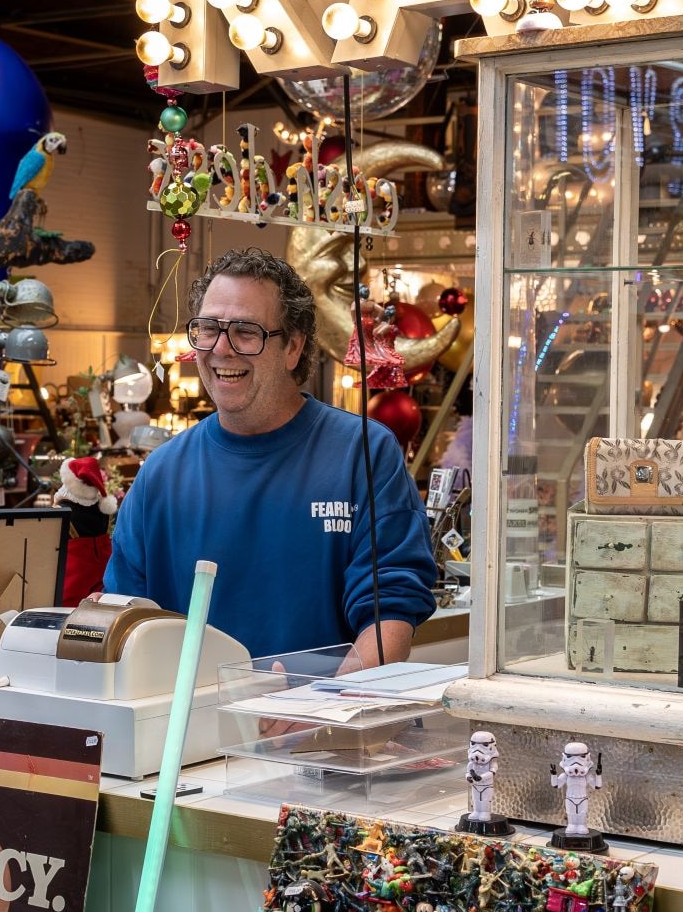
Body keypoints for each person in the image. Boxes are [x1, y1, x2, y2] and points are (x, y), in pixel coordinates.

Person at [104, 247, 437, 665]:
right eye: (208, 328)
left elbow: (389, 609)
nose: (221, 350)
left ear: (293, 348)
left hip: (327, 721)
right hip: (196, 726)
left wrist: (334, 701)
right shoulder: (162, 473)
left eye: (246, 331)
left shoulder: (362, 454)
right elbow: (124, 621)